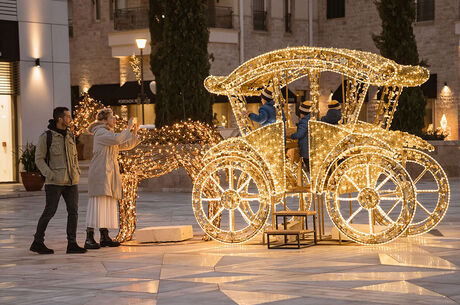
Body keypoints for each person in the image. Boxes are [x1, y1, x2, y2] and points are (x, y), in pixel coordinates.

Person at [30, 107, 86, 254]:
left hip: (71, 181)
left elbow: (74, 157)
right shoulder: (47, 136)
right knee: (50, 211)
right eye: (68, 116)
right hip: (54, 182)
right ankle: (37, 242)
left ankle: (72, 244)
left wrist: (77, 171)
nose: (70, 119)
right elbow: (39, 159)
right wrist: (50, 174)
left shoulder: (70, 135)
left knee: (73, 211)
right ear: (60, 119)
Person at [84, 108, 140, 249]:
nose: (114, 120)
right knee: (97, 204)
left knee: (107, 204)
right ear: (103, 120)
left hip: (108, 173)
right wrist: (128, 127)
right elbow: (116, 139)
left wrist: (134, 131)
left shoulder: (107, 133)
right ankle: (89, 237)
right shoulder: (101, 133)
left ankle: (104, 236)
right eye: (112, 117)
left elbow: (125, 145)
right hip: (100, 173)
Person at [290, 101, 312, 170]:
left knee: (307, 165)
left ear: (303, 113)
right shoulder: (313, 119)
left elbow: (300, 134)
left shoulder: (304, 121)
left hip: (306, 148)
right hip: (312, 147)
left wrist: (292, 136)